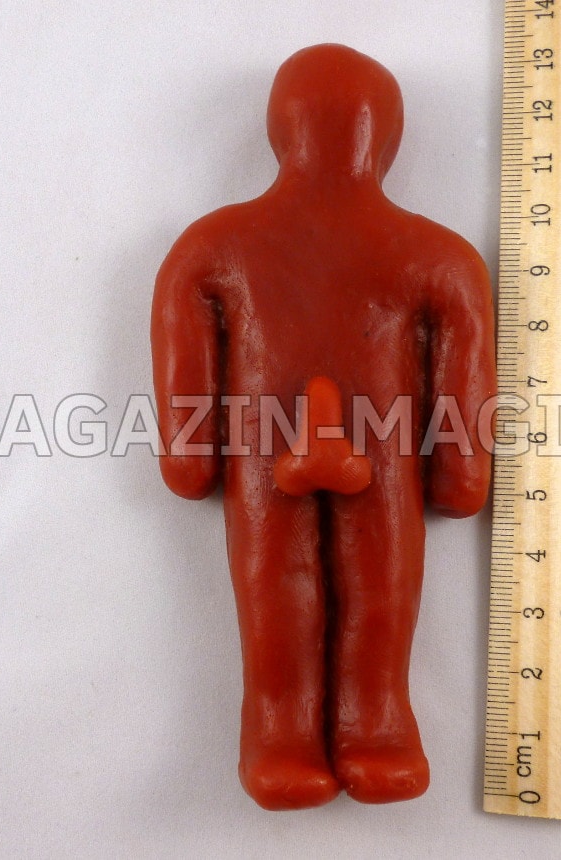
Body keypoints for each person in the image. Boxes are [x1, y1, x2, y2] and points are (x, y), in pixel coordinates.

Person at [152, 43, 495, 809]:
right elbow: (465, 378)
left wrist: (191, 456)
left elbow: (184, 349)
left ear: (279, 129)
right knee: (382, 584)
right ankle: (373, 730)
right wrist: (458, 474)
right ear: (389, 137)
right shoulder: (440, 255)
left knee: (276, 585)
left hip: (264, 452)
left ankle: (283, 738)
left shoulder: (212, 244)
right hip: (383, 453)